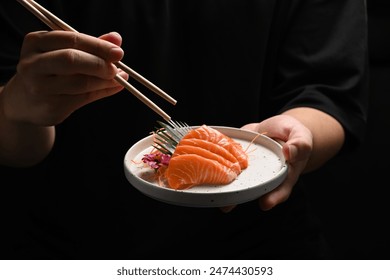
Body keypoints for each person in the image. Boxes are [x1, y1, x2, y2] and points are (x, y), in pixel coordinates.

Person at [0, 0, 368, 259]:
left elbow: (329, 94)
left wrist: (299, 132)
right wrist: (18, 110)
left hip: (262, 243)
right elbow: (17, 146)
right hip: (72, 245)